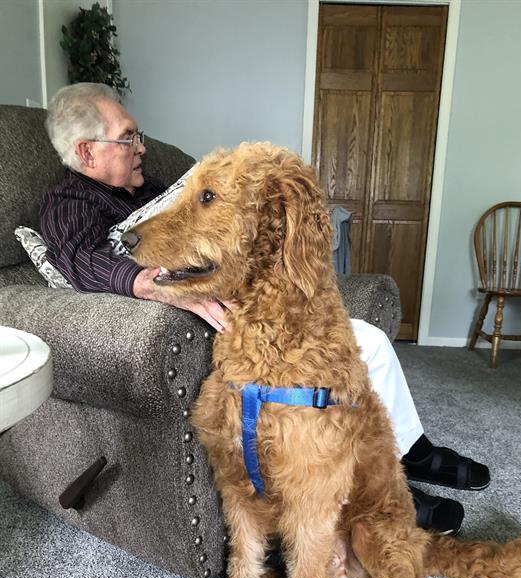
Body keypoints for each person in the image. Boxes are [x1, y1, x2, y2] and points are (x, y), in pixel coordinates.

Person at [39, 83, 490, 535]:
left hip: (246, 305)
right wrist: (160, 284)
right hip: (206, 323)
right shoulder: (69, 203)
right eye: (128, 136)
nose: (141, 148)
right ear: (87, 152)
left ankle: (413, 452)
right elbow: (83, 261)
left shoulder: (152, 188)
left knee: (364, 341)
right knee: (356, 348)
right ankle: (389, 489)